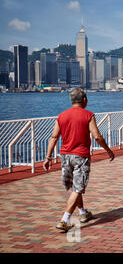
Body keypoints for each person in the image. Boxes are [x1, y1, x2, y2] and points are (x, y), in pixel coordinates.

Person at [44, 88, 115, 232]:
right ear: (84, 100)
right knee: (77, 188)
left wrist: (48, 157)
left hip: (65, 156)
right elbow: (97, 136)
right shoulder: (88, 115)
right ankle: (64, 220)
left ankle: (83, 212)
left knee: (75, 187)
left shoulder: (62, 116)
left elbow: (53, 137)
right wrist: (108, 151)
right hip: (81, 156)